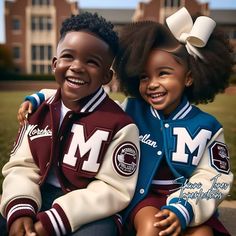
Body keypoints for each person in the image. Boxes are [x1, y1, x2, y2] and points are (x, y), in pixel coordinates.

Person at [16, 7, 234, 236]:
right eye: (144, 76)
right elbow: (86, 99)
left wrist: (185, 207)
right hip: (144, 200)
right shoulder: (128, 111)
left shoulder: (208, 126)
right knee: (153, 227)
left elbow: (214, 178)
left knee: (203, 234)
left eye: (163, 74)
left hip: (190, 206)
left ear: (189, 77)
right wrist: (39, 97)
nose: (152, 84)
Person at [0, 12, 140, 236]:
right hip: (36, 197)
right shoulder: (38, 110)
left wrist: (52, 222)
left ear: (106, 76)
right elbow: (22, 166)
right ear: (55, 64)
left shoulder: (120, 124)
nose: (77, 67)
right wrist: (21, 210)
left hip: (88, 212)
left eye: (91, 62)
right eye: (68, 57)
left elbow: (113, 189)